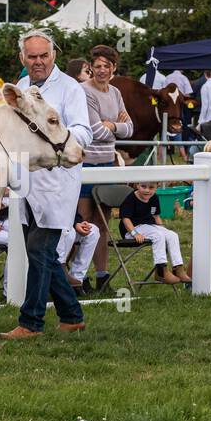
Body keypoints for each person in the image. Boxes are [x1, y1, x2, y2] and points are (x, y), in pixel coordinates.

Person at [0, 29, 91, 340]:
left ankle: (31, 323)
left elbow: (82, 130)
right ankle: (72, 315)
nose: (38, 62)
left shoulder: (70, 89)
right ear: (22, 58)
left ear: (54, 56)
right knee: (42, 254)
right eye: (32, 56)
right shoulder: (21, 87)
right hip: (26, 182)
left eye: (43, 56)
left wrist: (62, 145)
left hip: (56, 182)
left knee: (39, 250)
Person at [79, 44, 132, 292]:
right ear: (91, 68)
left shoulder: (115, 92)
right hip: (86, 162)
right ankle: (77, 276)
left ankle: (102, 275)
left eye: (106, 66)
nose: (101, 71)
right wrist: (113, 126)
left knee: (102, 223)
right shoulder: (84, 91)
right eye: (97, 66)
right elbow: (94, 131)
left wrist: (110, 125)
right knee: (83, 222)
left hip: (108, 162)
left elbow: (129, 128)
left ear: (113, 68)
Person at [120, 182, 190, 284]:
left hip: (149, 227)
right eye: (144, 186)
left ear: (157, 187)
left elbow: (156, 217)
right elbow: (125, 219)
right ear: (137, 185)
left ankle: (178, 269)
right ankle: (161, 271)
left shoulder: (154, 198)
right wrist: (135, 233)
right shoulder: (131, 198)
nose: (147, 190)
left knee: (172, 235)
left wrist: (164, 230)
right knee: (158, 235)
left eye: (151, 187)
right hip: (132, 229)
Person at [58, 211, 101, 290]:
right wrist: (74, 224)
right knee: (68, 232)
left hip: (69, 226)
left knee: (93, 231)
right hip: (49, 227)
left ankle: (77, 279)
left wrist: (78, 223)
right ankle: (60, 270)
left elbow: (72, 210)